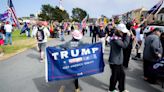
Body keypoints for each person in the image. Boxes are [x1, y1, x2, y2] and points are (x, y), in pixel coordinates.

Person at [108, 23, 130, 92]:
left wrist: (126, 35)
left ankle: (121, 89)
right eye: (122, 32)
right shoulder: (116, 39)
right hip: (114, 61)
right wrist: (128, 36)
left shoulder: (117, 37)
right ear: (119, 31)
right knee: (115, 76)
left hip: (118, 60)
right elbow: (124, 45)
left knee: (122, 75)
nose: (123, 33)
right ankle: (111, 89)